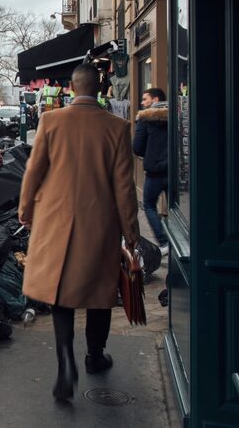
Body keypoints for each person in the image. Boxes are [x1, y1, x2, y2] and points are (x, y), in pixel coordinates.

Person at [18, 63, 139, 401]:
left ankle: (65, 362)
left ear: (70, 89)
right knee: (99, 293)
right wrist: (131, 231)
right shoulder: (117, 127)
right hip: (99, 225)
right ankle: (94, 354)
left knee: (61, 295)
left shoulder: (51, 122)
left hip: (56, 222)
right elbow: (125, 187)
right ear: (100, 90)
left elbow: (33, 172)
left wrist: (25, 211)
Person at [133, 87, 169, 255]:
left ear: (155, 100)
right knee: (175, 210)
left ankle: (163, 242)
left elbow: (137, 148)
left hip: (154, 172)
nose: (142, 103)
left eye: (145, 99)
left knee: (148, 205)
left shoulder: (145, 119)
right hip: (174, 172)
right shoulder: (177, 115)